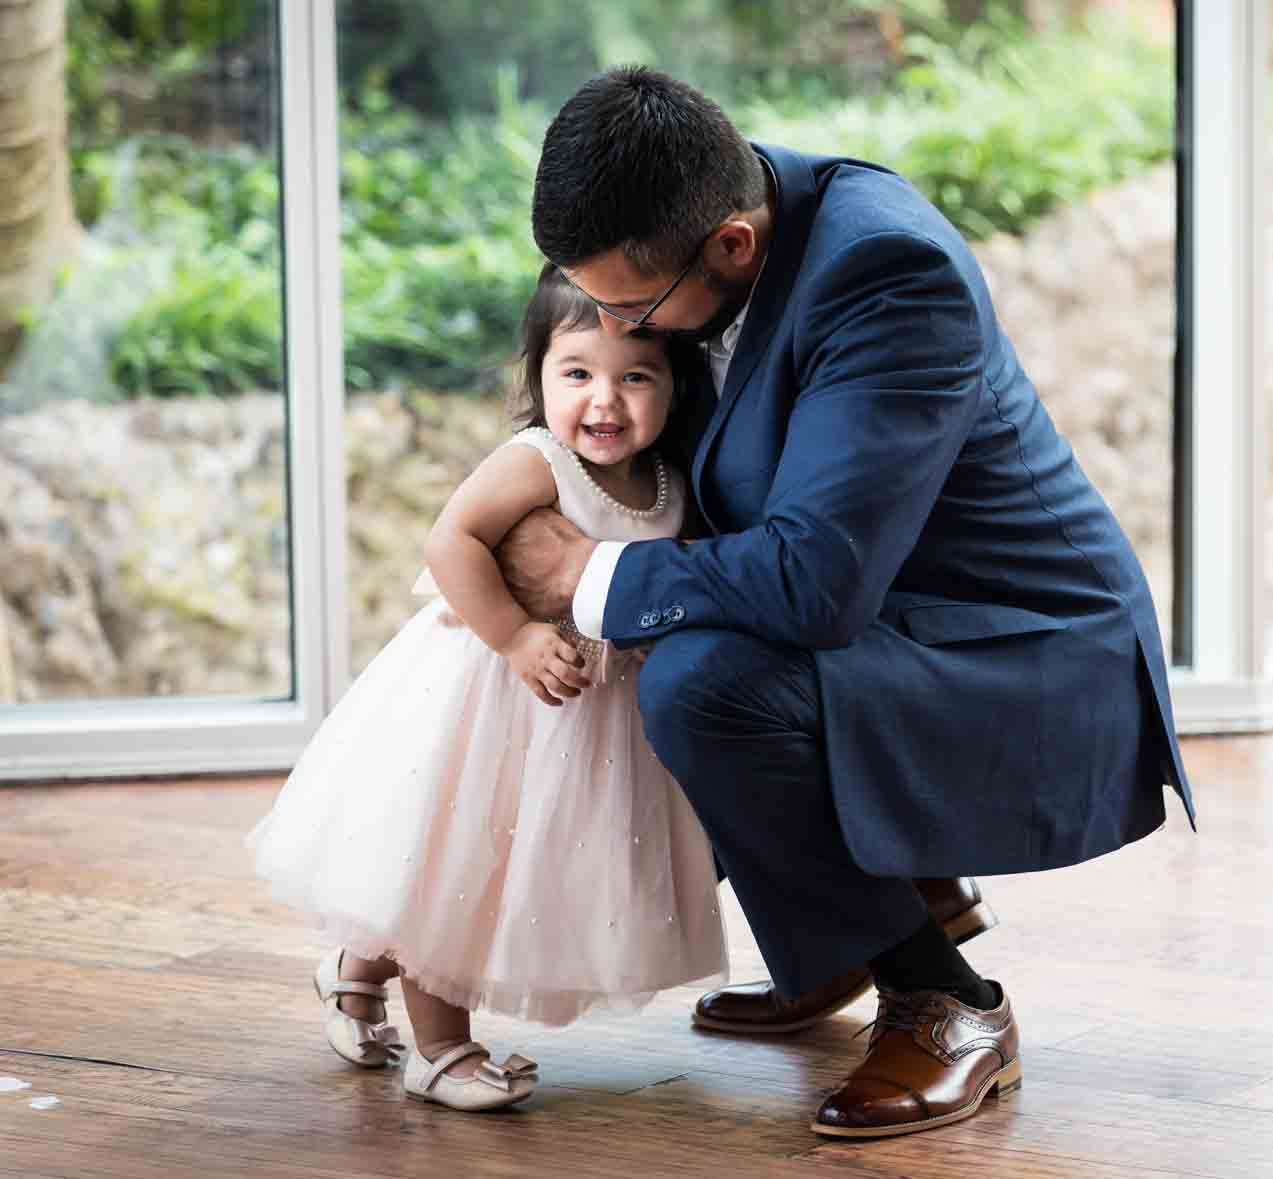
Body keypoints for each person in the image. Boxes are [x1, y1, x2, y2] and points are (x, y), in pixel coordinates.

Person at [499, 67, 1196, 1138]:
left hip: (1026, 652)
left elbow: (813, 585)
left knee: (695, 679)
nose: (612, 328)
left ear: (731, 244)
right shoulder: (700, 205)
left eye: (630, 312)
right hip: (900, 612)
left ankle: (947, 1001)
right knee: (663, 643)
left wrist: (582, 576)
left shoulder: (886, 273)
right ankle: (847, 933)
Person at [246, 264, 725, 1113]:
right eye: (576, 373)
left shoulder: (668, 485)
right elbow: (451, 539)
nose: (604, 401)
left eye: (635, 377)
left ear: (675, 386)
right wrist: (513, 635)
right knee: (454, 864)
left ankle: (357, 971)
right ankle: (440, 1048)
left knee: (509, 869)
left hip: (585, 720)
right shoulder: (539, 462)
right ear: (538, 376)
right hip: (490, 697)